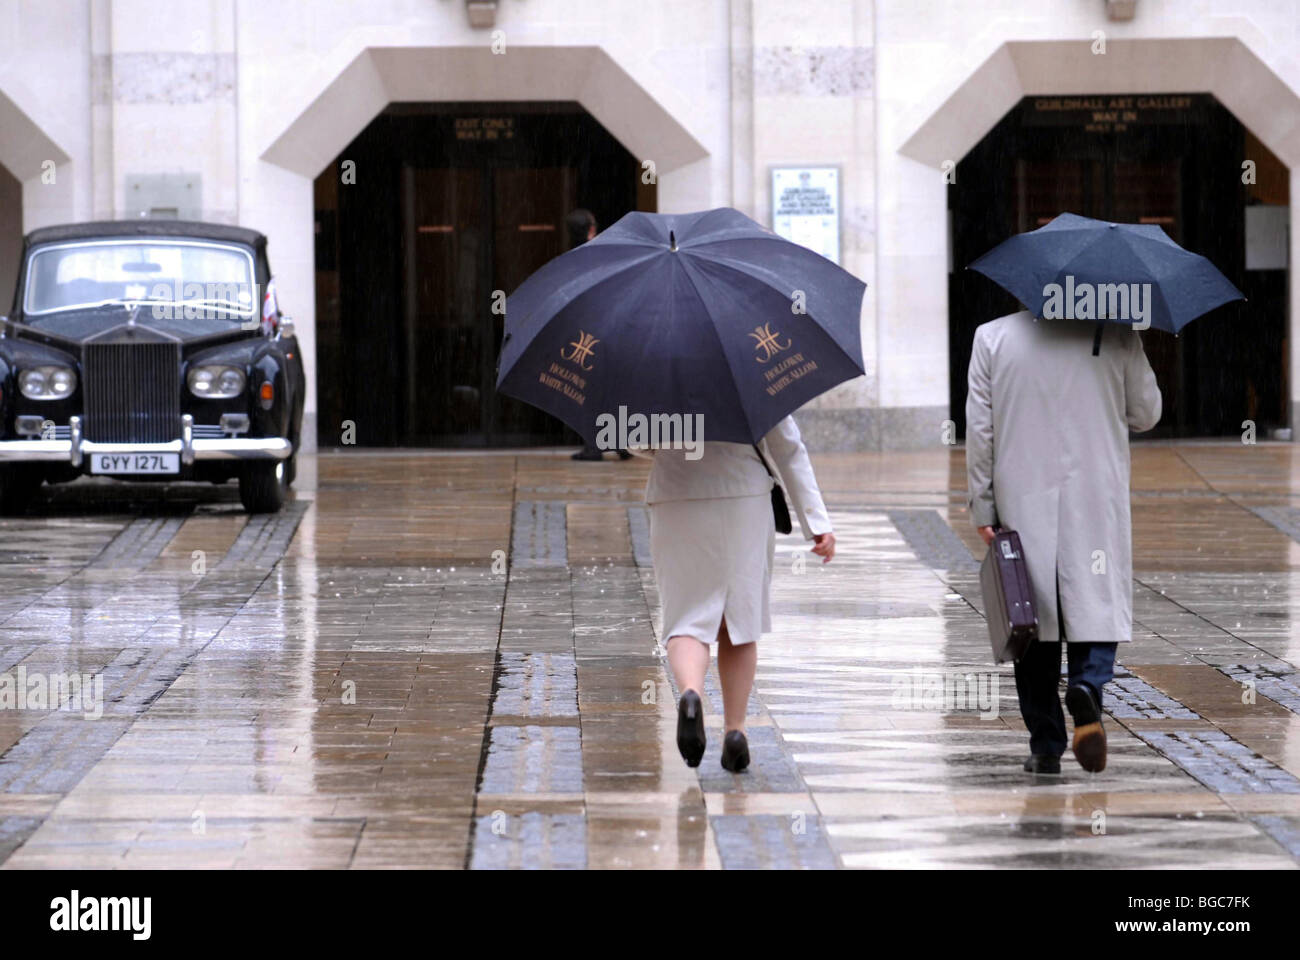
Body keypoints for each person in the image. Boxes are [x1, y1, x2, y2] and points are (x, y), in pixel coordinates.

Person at [966, 310, 1161, 775]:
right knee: (1095, 598)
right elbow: (1148, 413)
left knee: (1030, 617)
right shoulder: (1115, 333)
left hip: (1022, 496)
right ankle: (1089, 686)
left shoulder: (991, 338)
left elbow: (980, 431)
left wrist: (982, 504)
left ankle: (1045, 745)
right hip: (1095, 493)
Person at [636, 417, 835, 771]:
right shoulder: (751, 365)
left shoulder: (649, 370)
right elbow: (787, 446)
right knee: (740, 622)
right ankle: (735, 731)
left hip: (675, 494)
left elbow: (636, 440)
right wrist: (816, 522)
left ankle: (690, 694)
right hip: (743, 496)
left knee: (685, 618)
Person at [565, 208, 631, 462]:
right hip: (610, 327)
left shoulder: (573, 257)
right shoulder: (604, 252)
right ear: (591, 229)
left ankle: (597, 444)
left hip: (587, 330)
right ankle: (618, 442)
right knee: (613, 387)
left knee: (591, 389)